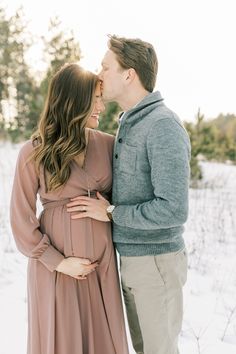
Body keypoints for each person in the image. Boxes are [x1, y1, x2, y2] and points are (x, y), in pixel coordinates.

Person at [66, 35, 191, 354]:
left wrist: (110, 213)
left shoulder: (162, 125)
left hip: (156, 262)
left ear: (129, 74)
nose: (99, 75)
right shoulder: (130, 124)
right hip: (134, 259)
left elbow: (173, 209)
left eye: (105, 67)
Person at [10, 63, 129, 354]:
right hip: (56, 271)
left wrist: (109, 209)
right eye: (96, 99)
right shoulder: (34, 151)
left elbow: (128, 198)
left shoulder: (108, 146)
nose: (102, 106)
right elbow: (20, 221)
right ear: (75, 101)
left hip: (100, 270)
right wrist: (59, 262)